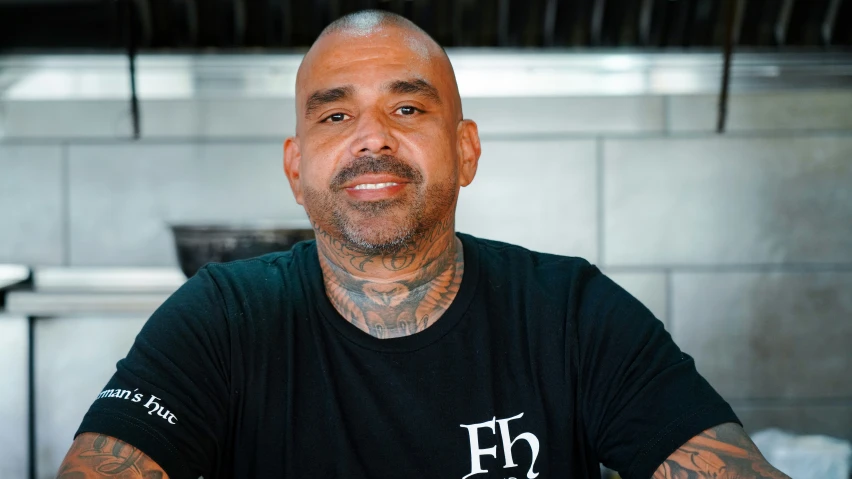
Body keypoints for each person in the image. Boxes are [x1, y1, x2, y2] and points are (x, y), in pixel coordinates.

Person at [57, 10, 791, 479]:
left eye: (407, 107)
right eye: (334, 115)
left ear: (466, 150)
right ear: (295, 167)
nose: (372, 137)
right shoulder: (219, 320)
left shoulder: (572, 313)